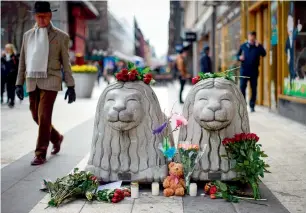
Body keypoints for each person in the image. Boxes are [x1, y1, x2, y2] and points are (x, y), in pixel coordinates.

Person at [15, 1, 76, 165]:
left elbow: (66, 62)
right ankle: (56, 137)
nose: (42, 19)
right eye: (39, 16)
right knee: (36, 116)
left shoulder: (61, 36)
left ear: (50, 15)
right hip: (32, 80)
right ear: (35, 16)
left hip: (51, 80)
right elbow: (22, 61)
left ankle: (40, 153)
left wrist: (71, 85)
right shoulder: (28, 36)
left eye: (45, 16)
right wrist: (18, 83)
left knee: (43, 115)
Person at [237, 31, 266, 112]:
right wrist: (239, 57)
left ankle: (252, 106)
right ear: (248, 36)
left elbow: (264, 54)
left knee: (253, 89)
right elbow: (236, 56)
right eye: (250, 36)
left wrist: (259, 46)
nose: (252, 38)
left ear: (255, 37)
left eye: (253, 36)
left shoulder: (258, 46)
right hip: (244, 71)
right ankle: (243, 105)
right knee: (242, 88)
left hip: (254, 71)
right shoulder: (243, 46)